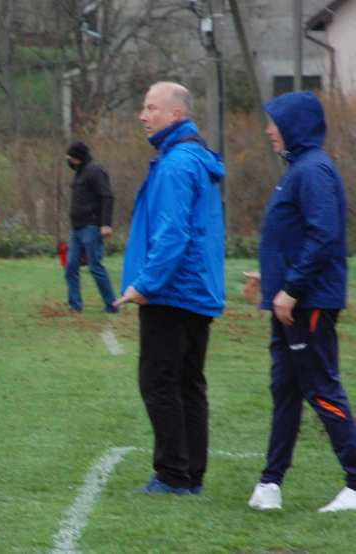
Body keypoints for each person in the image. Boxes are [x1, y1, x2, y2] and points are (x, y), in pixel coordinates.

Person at [244, 91, 356, 513]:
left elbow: (325, 234)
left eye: (275, 122)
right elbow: (294, 235)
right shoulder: (298, 169)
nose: (269, 130)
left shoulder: (313, 171)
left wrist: (290, 288)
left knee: (320, 387)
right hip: (290, 301)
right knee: (285, 391)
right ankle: (270, 484)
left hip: (306, 304)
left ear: (295, 125)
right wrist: (271, 278)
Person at [113, 82, 225, 495]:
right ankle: (190, 474)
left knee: (159, 382)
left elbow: (173, 233)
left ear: (176, 115)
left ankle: (174, 475)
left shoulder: (178, 164)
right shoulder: (192, 159)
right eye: (143, 108)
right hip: (196, 290)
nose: (144, 116)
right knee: (188, 383)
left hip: (173, 291)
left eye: (151, 108)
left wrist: (145, 284)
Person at [63, 141, 117, 313]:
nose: (69, 160)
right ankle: (75, 306)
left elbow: (107, 197)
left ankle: (111, 305)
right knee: (71, 266)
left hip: (91, 227)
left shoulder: (95, 171)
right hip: (77, 228)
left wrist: (105, 224)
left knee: (95, 267)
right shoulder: (79, 173)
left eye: (70, 157)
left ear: (78, 157)